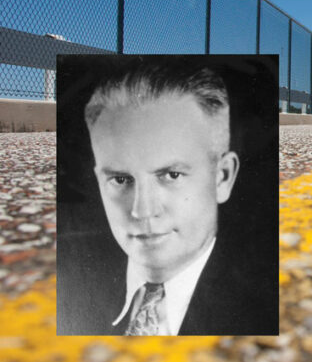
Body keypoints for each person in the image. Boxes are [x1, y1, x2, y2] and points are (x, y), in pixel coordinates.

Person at [57, 57, 278, 335]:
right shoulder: (62, 268)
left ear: (222, 177)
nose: (143, 210)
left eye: (171, 175)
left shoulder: (271, 304)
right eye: (121, 179)